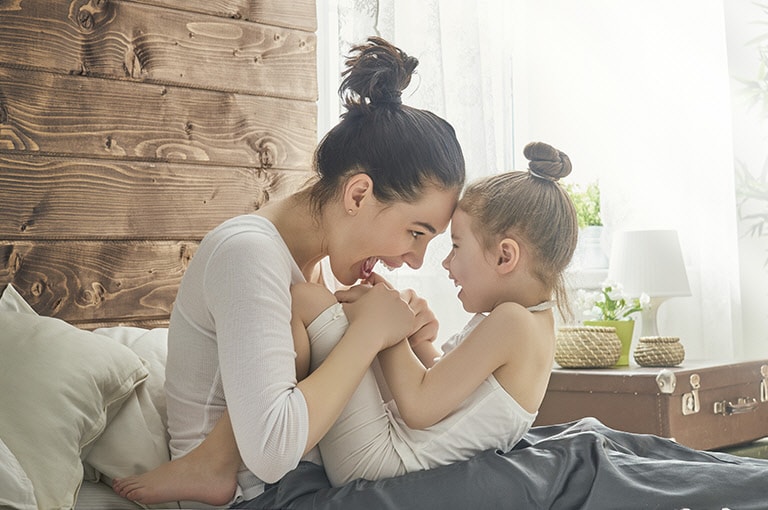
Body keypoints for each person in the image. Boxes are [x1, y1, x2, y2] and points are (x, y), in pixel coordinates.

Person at [114, 141, 579, 502]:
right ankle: (215, 458)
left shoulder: (511, 322)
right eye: (417, 233)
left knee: (305, 300)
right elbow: (455, 402)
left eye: (454, 246)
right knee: (316, 304)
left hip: (383, 460)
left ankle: (216, 459)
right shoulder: (530, 324)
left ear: (505, 256)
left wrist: (387, 331)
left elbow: (420, 407)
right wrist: (413, 340)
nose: (438, 263)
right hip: (393, 453)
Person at [113, 36, 466, 508]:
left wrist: (405, 343)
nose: (416, 260)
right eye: (415, 233)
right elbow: (273, 450)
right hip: (253, 498)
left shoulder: (320, 271)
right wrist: (369, 334)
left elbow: (343, 416)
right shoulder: (247, 254)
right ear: (358, 195)